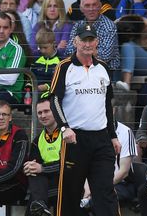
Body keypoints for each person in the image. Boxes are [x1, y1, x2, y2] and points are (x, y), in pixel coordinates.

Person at [49, 24, 121, 216]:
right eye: (84, 40)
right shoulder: (64, 67)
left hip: (101, 139)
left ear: (97, 42)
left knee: (105, 190)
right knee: (70, 192)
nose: (88, 44)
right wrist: (64, 128)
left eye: (91, 39)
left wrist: (113, 136)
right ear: (76, 42)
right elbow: (54, 99)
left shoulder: (103, 68)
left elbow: (107, 104)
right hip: (75, 139)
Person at [24, 98, 61, 215]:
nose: (42, 115)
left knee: (34, 203)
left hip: (66, 181)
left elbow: (69, 164)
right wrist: (29, 167)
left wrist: (43, 168)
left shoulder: (67, 135)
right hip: (45, 183)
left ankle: (39, 204)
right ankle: (39, 204)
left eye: (46, 111)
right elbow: (35, 165)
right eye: (39, 113)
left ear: (55, 111)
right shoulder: (37, 140)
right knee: (33, 171)